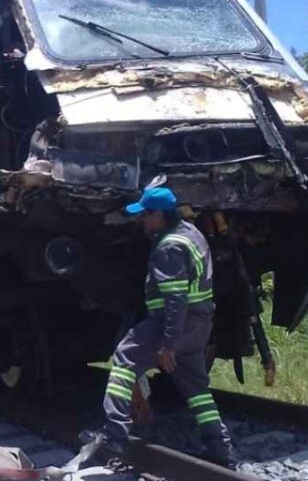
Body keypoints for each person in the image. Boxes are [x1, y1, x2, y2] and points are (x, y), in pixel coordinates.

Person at [88, 186, 235, 465]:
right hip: (200, 324)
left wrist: (168, 343)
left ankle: (114, 435)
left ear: (158, 215)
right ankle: (220, 446)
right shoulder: (193, 234)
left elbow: (175, 299)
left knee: (124, 358)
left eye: (145, 215)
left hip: (173, 323)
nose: (141, 220)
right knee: (196, 388)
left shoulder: (169, 247)